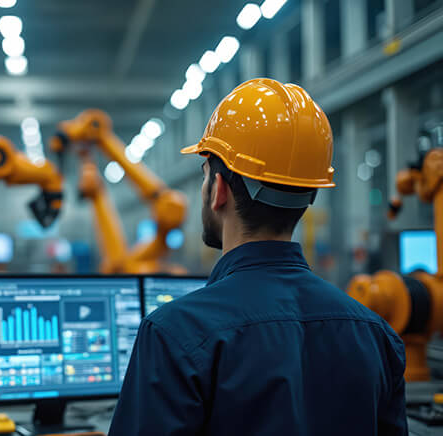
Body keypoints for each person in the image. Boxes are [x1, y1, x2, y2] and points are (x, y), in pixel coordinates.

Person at [109, 78, 407, 435]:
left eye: (206, 175)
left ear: (218, 191)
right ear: (310, 195)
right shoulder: (376, 335)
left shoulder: (174, 334)